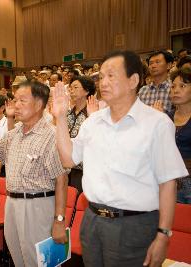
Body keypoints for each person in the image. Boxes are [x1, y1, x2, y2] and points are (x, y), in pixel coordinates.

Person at [52, 50, 188, 267]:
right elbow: (68, 160)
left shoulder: (157, 123)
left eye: (111, 76)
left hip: (134, 224)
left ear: (133, 80)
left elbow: (168, 183)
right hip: (93, 220)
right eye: (101, 77)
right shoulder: (92, 122)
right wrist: (59, 117)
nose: (103, 82)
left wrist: (163, 235)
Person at [0, 81, 68, 267]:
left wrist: (59, 220)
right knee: (19, 260)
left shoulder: (51, 134)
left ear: (38, 104)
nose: (16, 105)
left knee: (40, 262)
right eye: (15, 99)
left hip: (38, 206)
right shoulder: (14, 133)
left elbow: (61, 179)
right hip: (12, 203)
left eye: (22, 100)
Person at [66, 76, 96, 192]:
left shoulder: (93, 113)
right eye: (70, 88)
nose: (71, 90)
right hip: (66, 167)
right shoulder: (67, 113)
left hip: (83, 169)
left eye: (75, 87)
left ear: (87, 91)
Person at [168, 67, 191, 204]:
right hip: (169, 182)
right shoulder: (165, 117)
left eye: (182, 86)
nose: (175, 90)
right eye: (173, 86)